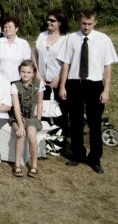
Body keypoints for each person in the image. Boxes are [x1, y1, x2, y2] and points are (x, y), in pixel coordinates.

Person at [58, 10, 118, 174]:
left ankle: (95, 159)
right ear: (79, 22)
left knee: (94, 123)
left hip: (94, 85)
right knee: (75, 122)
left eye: (89, 24)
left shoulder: (103, 39)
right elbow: (66, 64)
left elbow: (107, 66)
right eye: (83, 23)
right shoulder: (71, 38)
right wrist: (63, 86)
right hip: (74, 84)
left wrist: (106, 89)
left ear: (95, 22)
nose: (86, 27)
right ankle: (77, 154)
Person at [33, 9, 69, 144]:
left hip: (59, 81)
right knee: (42, 110)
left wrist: (59, 78)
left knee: (59, 111)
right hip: (42, 80)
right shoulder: (42, 36)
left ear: (60, 23)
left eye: (52, 21)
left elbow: (68, 61)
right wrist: (37, 73)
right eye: (48, 20)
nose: (49, 22)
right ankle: (44, 141)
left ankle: (59, 142)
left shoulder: (66, 39)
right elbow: (35, 54)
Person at [10, 60, 44, 177]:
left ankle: (34, 165)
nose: (25, 74)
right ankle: (17, 165)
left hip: (31, 117)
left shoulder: (39, 84)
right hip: (17, 116)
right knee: (21, 135)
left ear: (33, 73)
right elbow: (16, 107)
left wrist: (38, 119)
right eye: (23, 72)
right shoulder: (15, 85)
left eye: (29, 72)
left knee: (32, 135)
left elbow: (40, 103)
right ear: (19, 72)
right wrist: (20, 125)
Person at [0, 17, 31, 82]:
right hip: (0, 80)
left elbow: (27, 63)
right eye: (5, 27)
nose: (7, 29)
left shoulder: (23, 43)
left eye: (10, 27)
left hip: (18, 80)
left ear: (16, 29)